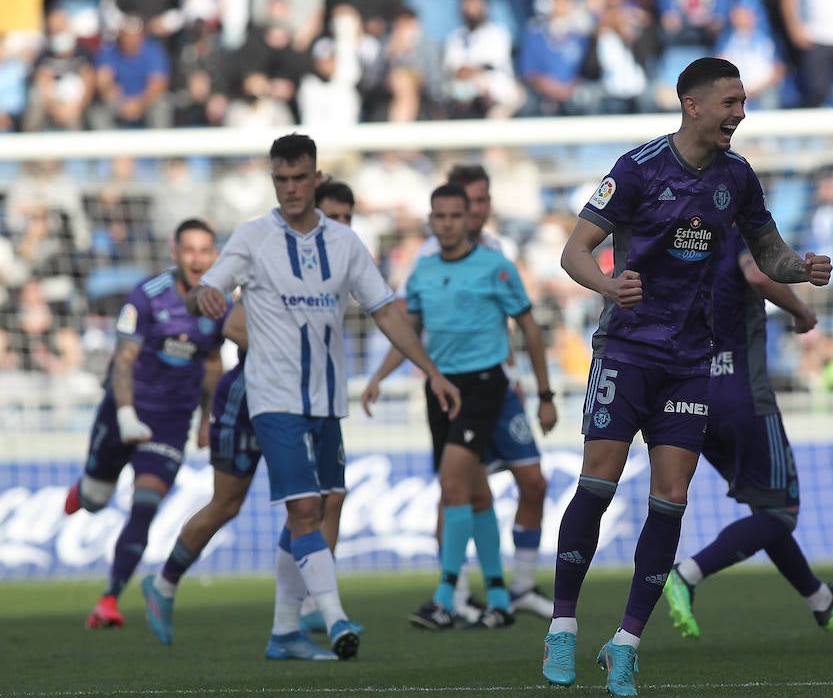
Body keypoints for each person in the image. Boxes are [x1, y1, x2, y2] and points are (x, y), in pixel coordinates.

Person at [541, 57, 833, 697]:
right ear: (692, 105)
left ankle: (625, 642)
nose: (740, 113)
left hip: (691, 363)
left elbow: (768, 253)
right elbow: (574, 251)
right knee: (597, 484)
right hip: (627, 352)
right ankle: (562, 625)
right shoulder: (638, 167)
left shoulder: (739, 177)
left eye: (743, 101)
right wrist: (610, 285)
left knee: (669, 500)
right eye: (729, 102)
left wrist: (799, 267)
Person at [186, 134, 460, 661]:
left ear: (315, 178)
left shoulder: (344, 243)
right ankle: (334, 619)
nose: (290, 189)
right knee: (307, 508)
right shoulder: (252, 237)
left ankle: (285, 630)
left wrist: (433, 372)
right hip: (273, 397)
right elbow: (208, 291)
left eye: (298, 179)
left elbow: (385, 311)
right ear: (273, 181)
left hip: (327, 399)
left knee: (323, 504)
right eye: (280, 180)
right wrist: (206, 295)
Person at [140, 180, 360, 646]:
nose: (340, 226)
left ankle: (304, 609)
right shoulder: (283, 264)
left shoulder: (341, 268)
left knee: (323, 500)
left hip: (308, 399)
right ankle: (163, 583)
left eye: (347, 219)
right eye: (333, 217)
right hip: (249, 399)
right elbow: (235, 326)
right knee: (229, 504)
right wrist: (289, 346)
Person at [362, 182, 557, 631]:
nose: (448, 224)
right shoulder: (424, 270)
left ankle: (446, 596)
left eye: (455, 215)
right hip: (440, 387)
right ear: (431, 220)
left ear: (469, 218)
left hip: (485, 385)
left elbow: (527, 325)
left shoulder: (494, 267)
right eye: (440, 216)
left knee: (452, 486)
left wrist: (545, 395)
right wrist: (378, 377)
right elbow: (408, 329)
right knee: (474, 493)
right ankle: (500, 597)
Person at [663, 231, 833, 641]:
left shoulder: (684, 239)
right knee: (780, 512)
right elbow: (756, 275)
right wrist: (801, 311)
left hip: (695, 396)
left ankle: (821, 599)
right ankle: (687, 574)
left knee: (764, 509)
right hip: (743, 398)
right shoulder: (734, 235)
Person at [63, 220, 225, 631]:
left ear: (215, 255)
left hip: (171, 422)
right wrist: (125, 414)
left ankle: (108, 600)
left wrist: (207, 419)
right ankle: (84, 490)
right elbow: (124, 359)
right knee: (98, 499)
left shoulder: (219, 305)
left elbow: (210, 362)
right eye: (189, 250)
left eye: (205, 250)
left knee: (146, 505)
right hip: (125, 408)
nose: (197, 258)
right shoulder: (148, 296)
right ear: (175, 252)